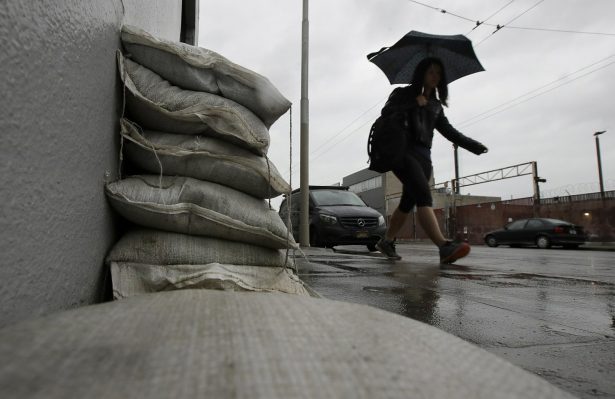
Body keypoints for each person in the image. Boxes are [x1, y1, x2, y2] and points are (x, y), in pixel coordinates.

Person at [375, 57, 488, 263]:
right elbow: (386, 113)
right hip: (403, 153)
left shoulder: (435, 105)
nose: (435, 76)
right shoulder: (403, 93)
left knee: (407, 203)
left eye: (438, 73)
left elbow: (449, 131)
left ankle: (387, 241)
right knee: (423, 197)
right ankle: (443, 246)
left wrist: (472, 145)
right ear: (421, 74)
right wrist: (412, 104)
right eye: (431, 72)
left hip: (424, 158)